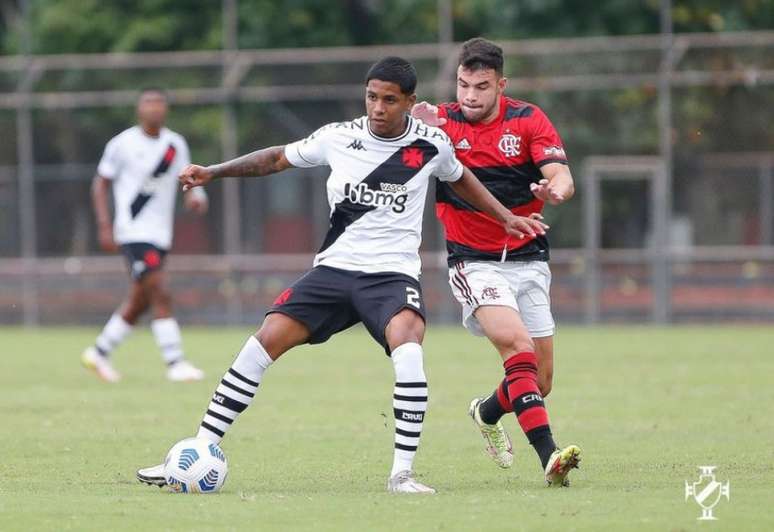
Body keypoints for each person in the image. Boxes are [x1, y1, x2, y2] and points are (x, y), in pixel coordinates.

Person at [136, 57, 548, 493]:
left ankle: (401, 475)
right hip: (333, 271)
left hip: (391, 278)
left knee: (408, 349)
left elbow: (461, 177)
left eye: (390, 100)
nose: (378, 107)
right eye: (372, 97)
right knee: (263, 341)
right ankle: (198, 449)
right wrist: (213, 172)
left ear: (409, 101)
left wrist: (505, 216)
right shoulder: (338, 137)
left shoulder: (431, 144)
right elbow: (276, 159)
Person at [411, 38, 580, 486]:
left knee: (539, 383)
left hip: (528, 260)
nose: (469, 95)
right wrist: (415, 127)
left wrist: (553, 192)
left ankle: (486, 412)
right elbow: (390, 143)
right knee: (517, 348)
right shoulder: (439, 122)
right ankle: (550, 456)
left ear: (500, 84)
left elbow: (561, 176)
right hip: (473, 262)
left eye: (481, 87)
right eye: (463, 85)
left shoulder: (528, 120)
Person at [81, 88, 208, 383]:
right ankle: (175, 362)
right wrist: (104, 224)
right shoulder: (122, 144)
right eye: (148, 103)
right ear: (139, 110)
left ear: (166, 110)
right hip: (133, 231)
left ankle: (98, 353)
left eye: (159, 103)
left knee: (141, 299)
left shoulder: (175, 145)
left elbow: (190, 180)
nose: (154, 108)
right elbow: (100, 184)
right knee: (160, 289)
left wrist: (195, 197)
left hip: (161, 233)